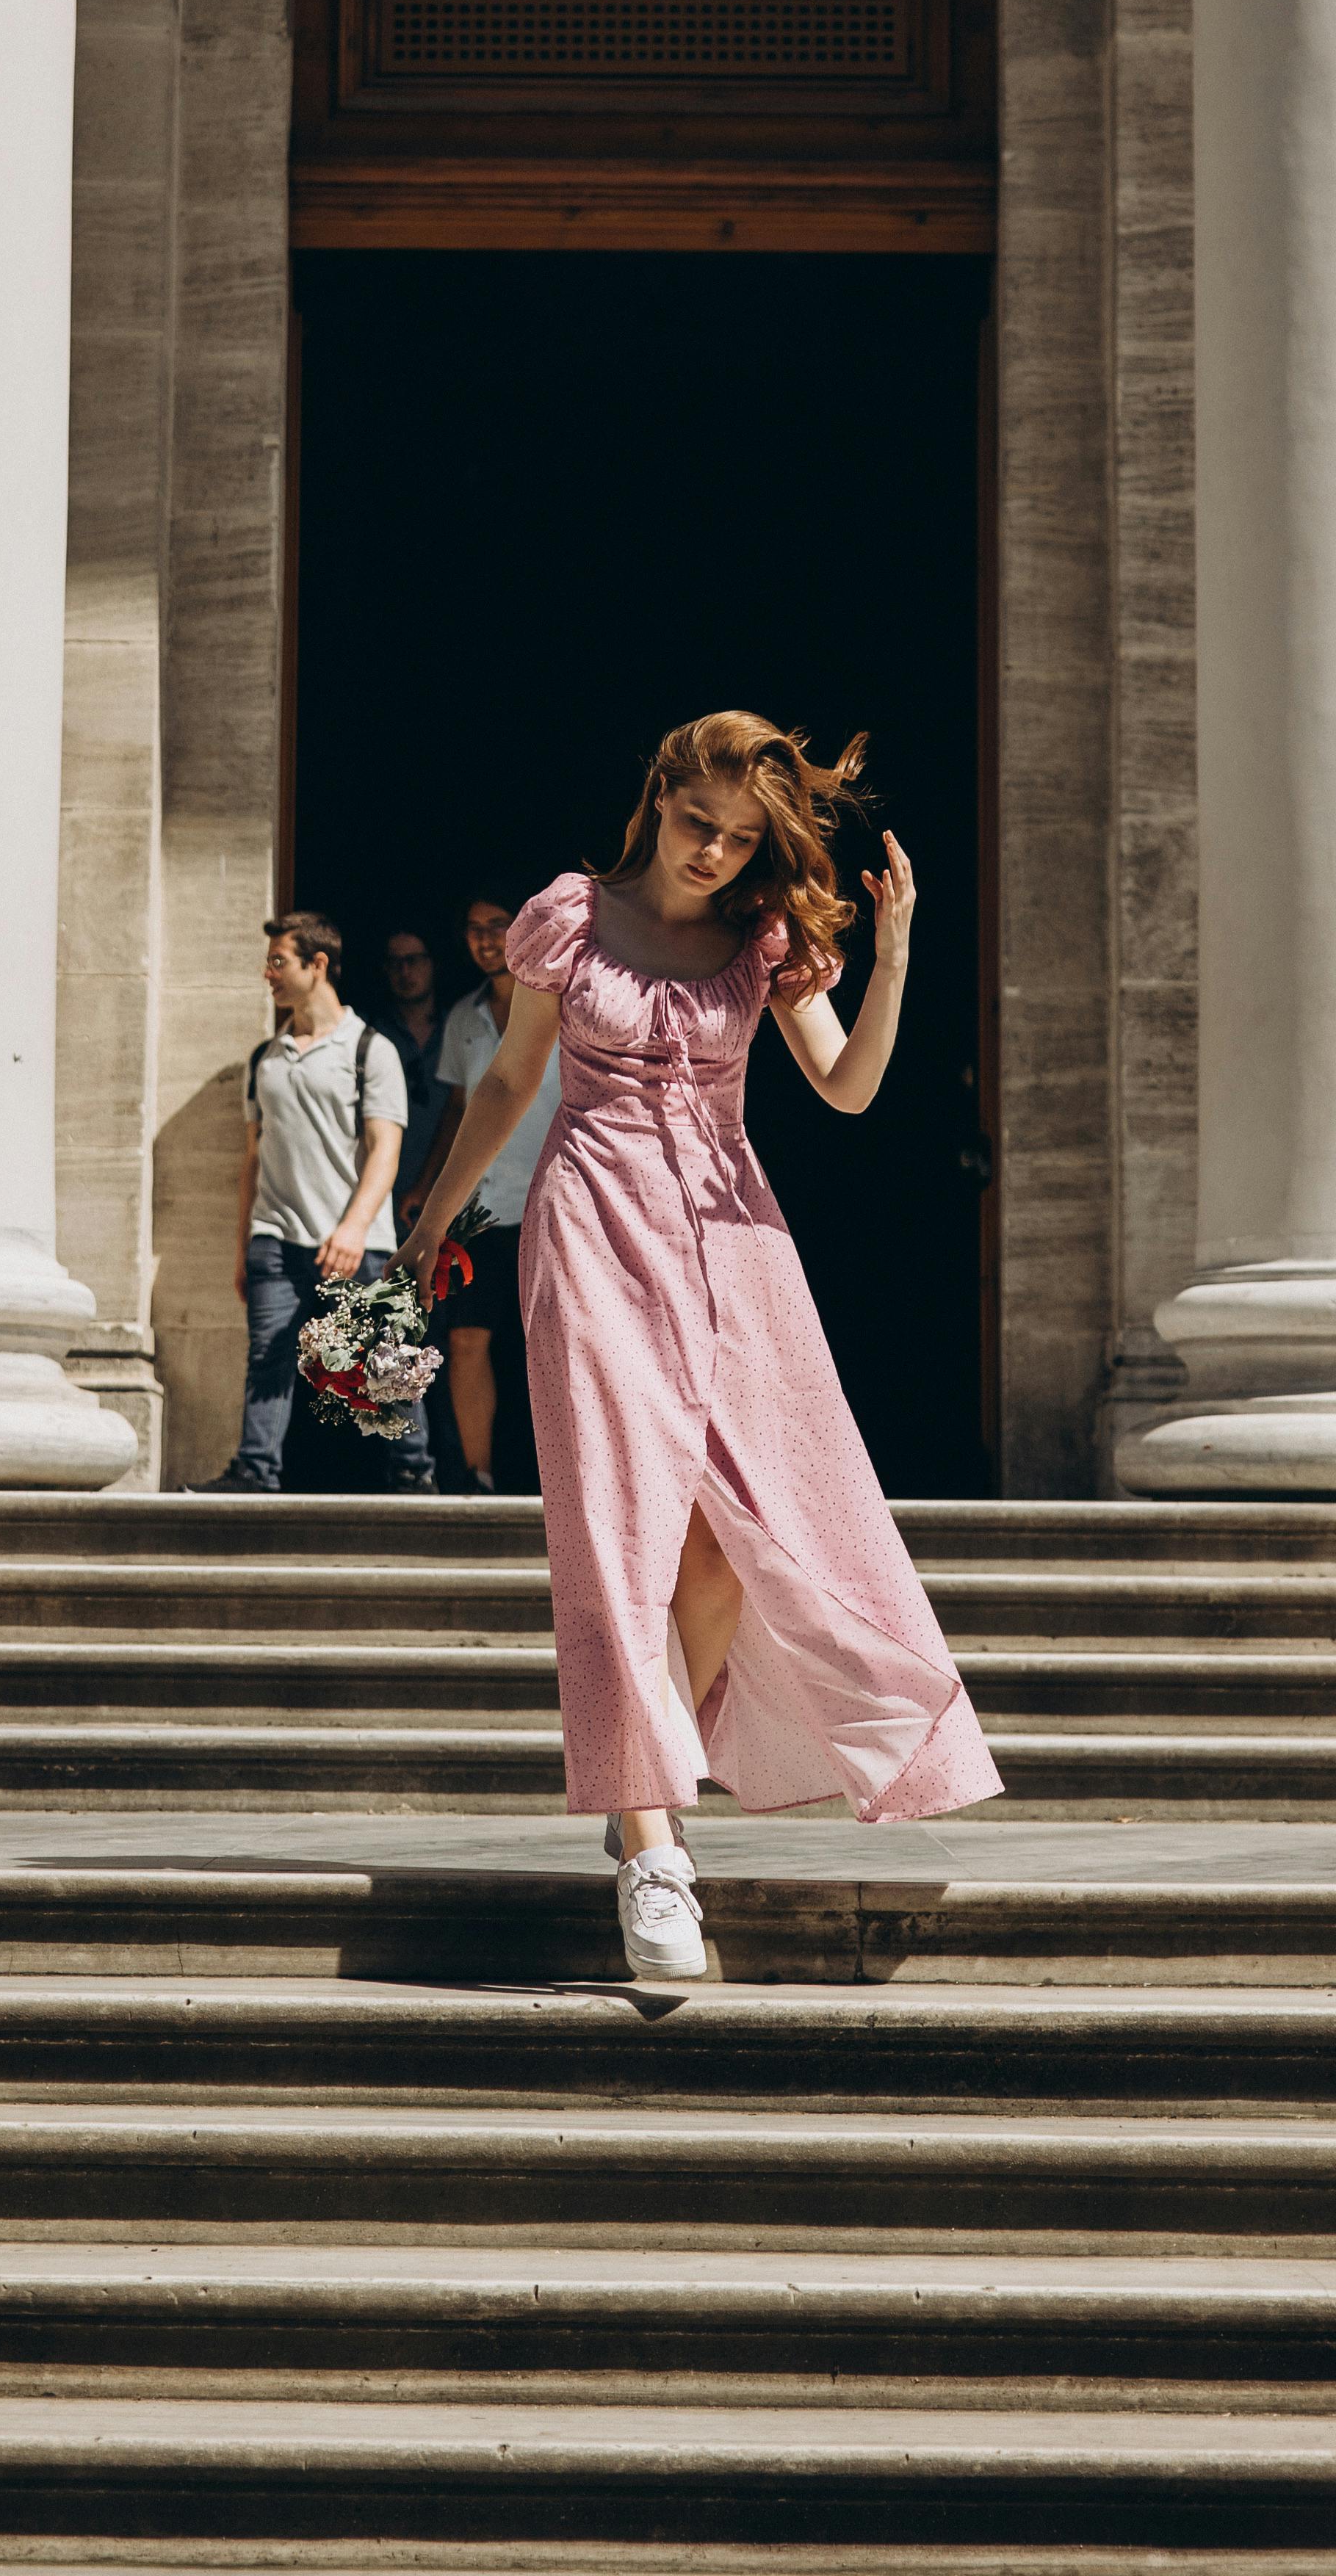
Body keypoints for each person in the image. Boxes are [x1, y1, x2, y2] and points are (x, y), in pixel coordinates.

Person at [405, 714, 1000, 1980]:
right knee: (620, 1527)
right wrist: (438, 1207)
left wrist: (889, 958)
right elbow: (513, 1079)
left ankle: (655, 1755)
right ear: (655, 796)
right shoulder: (564, 915)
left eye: (737, 842)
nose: (713, 854)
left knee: (731, 1535)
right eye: (696, 826)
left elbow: (844, 1088)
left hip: (734, 1243)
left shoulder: (762, 937)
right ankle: (652, 1843)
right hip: (592, 1232)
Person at [195, 909, 432, 1494]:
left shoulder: (370, 1049)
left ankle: (413, 1471)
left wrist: (353, 1228)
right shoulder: (266, 1059)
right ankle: (256, 1469)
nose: (267, 973)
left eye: (279, 961)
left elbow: (385, 1151)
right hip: (275, 1237)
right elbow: (255, 1158)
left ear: (317, 964)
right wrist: (243, 1247)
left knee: (383, 1358)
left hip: (356, 1240)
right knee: (269, 1358)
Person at [409, 892, 560, 1492]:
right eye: (473, 929)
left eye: (497, 925)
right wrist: (427, 1188)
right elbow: (458, 1110)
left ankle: (566, 1480)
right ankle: (478, 1478)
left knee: (553, 1349)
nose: (485, 940)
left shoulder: (558, 1002)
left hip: (551, 1202)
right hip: (480, 1209)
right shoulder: (462, 1017)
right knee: (467, 1339)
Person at [375, 927, 452, 1210]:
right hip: (384, 1191)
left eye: (415, 960)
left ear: (433, 964)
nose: (405, 971)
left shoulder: (459, 1027)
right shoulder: (371, 1034)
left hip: (452, 1189)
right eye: (395, 962)